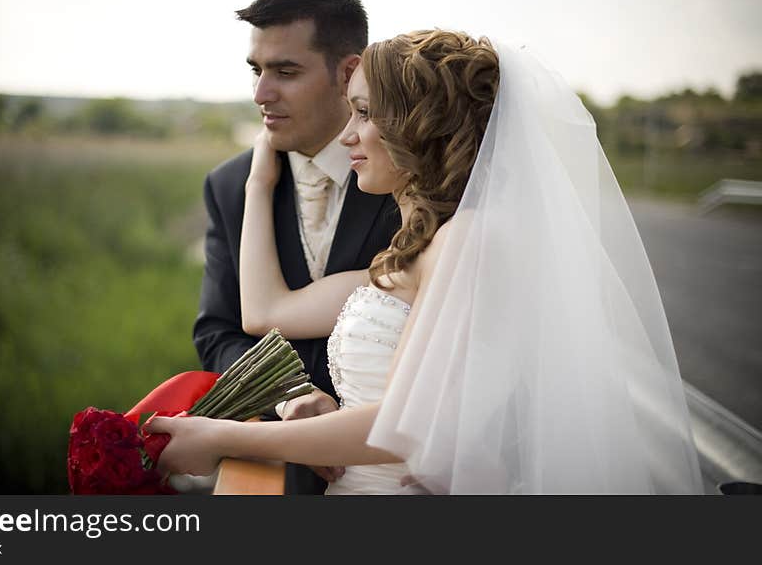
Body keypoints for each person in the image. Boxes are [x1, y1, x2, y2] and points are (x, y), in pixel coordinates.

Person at [154, 30, 704, 494]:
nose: (347, 134)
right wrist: (258, 181)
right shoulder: (411, 256)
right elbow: (267, 311)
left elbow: (402, 431)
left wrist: (221, 436)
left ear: (422, 125)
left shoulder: (469, 242)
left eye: (365, 113)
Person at [192, 0, 400, 493]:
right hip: (269, 475)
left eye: (286, 71)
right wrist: (287, 394)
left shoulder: (411, 178)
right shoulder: (230, 185)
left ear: (348, 71)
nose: (262, 94)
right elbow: (218, 331)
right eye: (256, 70)